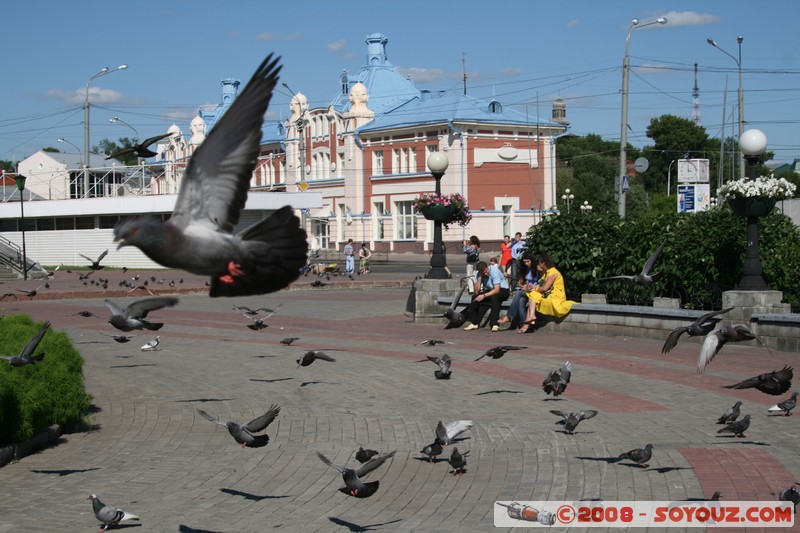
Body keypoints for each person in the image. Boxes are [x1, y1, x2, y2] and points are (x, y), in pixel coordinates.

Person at [519, 254, 577, 334]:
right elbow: (540, 285)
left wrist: (535, 288)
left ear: (543, 263)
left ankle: (528, 324)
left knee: (532, 296)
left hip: (555, 297)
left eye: (539, 263)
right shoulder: (546, 273)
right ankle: (530, 320)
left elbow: (544, 288)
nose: (538, 265)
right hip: (548, 295)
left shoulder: (553, 273)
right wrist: (531, 286)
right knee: (532, 298)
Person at [463, 260, 510, 332]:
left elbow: (497, 290)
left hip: (503, 290)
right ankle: (474, 323)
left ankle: (495, 324)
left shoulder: (495, 271)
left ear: (487, 267)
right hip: (491, 290)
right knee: (475, 297)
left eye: (486, 271)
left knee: (495, 297)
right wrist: (479, 279)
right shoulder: (478, 274)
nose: (486, 273)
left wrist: (484, 296)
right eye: (484, 273)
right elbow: (476, 291)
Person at [497, 253, 538, 330]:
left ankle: (509, 316)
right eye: (525, 262)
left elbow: (540, 282)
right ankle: (524, 325)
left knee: (518, 293)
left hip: (535, 291)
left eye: (528, 261)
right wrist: (524, 286)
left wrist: (531, 287)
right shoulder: (525, 269)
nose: (526, 263)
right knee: (521, 301)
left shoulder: (537, 269)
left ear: (532, 261)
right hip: (528, 290)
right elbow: (521, 283)